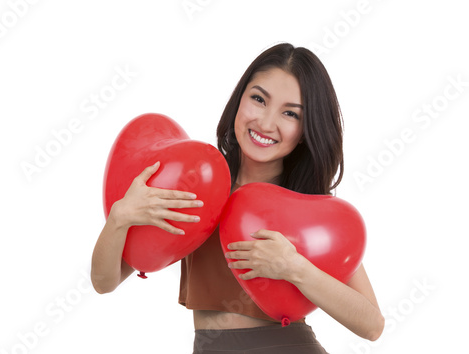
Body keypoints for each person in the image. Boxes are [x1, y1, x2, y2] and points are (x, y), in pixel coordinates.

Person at [91, 43, 385, 353]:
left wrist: (294, 268)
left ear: (305, 129)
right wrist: (119, 218)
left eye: (290, 113)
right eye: (259, 99)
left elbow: (372, 325)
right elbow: (104, 282)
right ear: (239, 99)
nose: (266, 123)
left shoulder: (306, 209)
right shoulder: (191, 185)